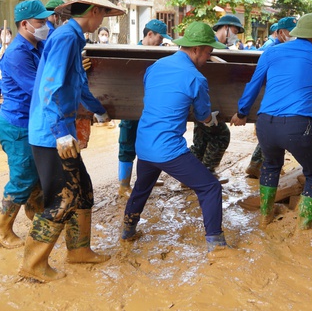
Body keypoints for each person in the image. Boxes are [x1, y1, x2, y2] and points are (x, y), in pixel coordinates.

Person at [21, 0, 119, 282]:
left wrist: (97, 109)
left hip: (61, 130)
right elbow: (50, 88)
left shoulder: (74, 39)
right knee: (63, 197)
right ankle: (33, 263)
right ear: (93, 10)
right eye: (102, 14)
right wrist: (60, 132)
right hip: (52, 134)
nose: (102, 20)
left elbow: (75, 84)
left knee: (83, 189)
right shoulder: (65, 38)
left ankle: (79, 250)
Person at [121, 21, 229, 252]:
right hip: (168, 149)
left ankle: (127, 230)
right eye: (209, 52)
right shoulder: (196, 78)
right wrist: (212, 119)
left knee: (142, 186)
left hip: (144, 143)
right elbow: (202, 116)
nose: (209, 57)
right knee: (210, 188)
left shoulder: (155, 66)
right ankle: (216, 243)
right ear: (197, 48)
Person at [231, 13, 312, 230]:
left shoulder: (272, 52)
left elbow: (254, 84)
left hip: (265, 124)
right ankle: (302, 228)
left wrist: (241, 113)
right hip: (297, 127)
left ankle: (265, 218)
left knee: (270, 166)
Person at [0, 0, 53, 249]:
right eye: (40, 22)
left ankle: (35, 216)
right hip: (16, 125)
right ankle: (0, 228)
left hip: (30, 123)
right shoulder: (17, 54)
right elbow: (39, 89)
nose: (45, 25)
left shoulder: (39, 45)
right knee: (23, 177)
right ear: (25, 25)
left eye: (46, 21)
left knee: (36, 174)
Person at [117, 19, 172, 196]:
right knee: (127, 142)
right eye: (160, 38)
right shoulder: (130, 53)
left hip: (153, 108)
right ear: (149, 35)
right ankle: (124, 185)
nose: (162, 41)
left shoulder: (162, 54)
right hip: (131, 106)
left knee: (148, 144)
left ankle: (144, 181)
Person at [186, 14, 243, 182]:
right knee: (221, 136)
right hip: (204, 104)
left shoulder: (221, 50)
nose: (235, 34)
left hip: (207, 104)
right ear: (224, 28)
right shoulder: (204, 50)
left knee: (201, 141)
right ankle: (205, 173)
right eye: (234, 30)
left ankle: (191, 176)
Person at [245, 16, 298, 178]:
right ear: (281, 32)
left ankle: (256, 164)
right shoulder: (271, 47)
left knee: (271, 134)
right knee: (273, 133)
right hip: (270, 96)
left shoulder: (283, 47)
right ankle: (263, 167)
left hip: (275, 97)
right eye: (292, 32)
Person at [0, 26, 13, 115]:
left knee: (9, 101)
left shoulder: (14, 48)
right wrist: (1, 51)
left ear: (11, 36)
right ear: (0, 36)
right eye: (3, 34)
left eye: (7, 34)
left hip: (10, 80)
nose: (6, 36)